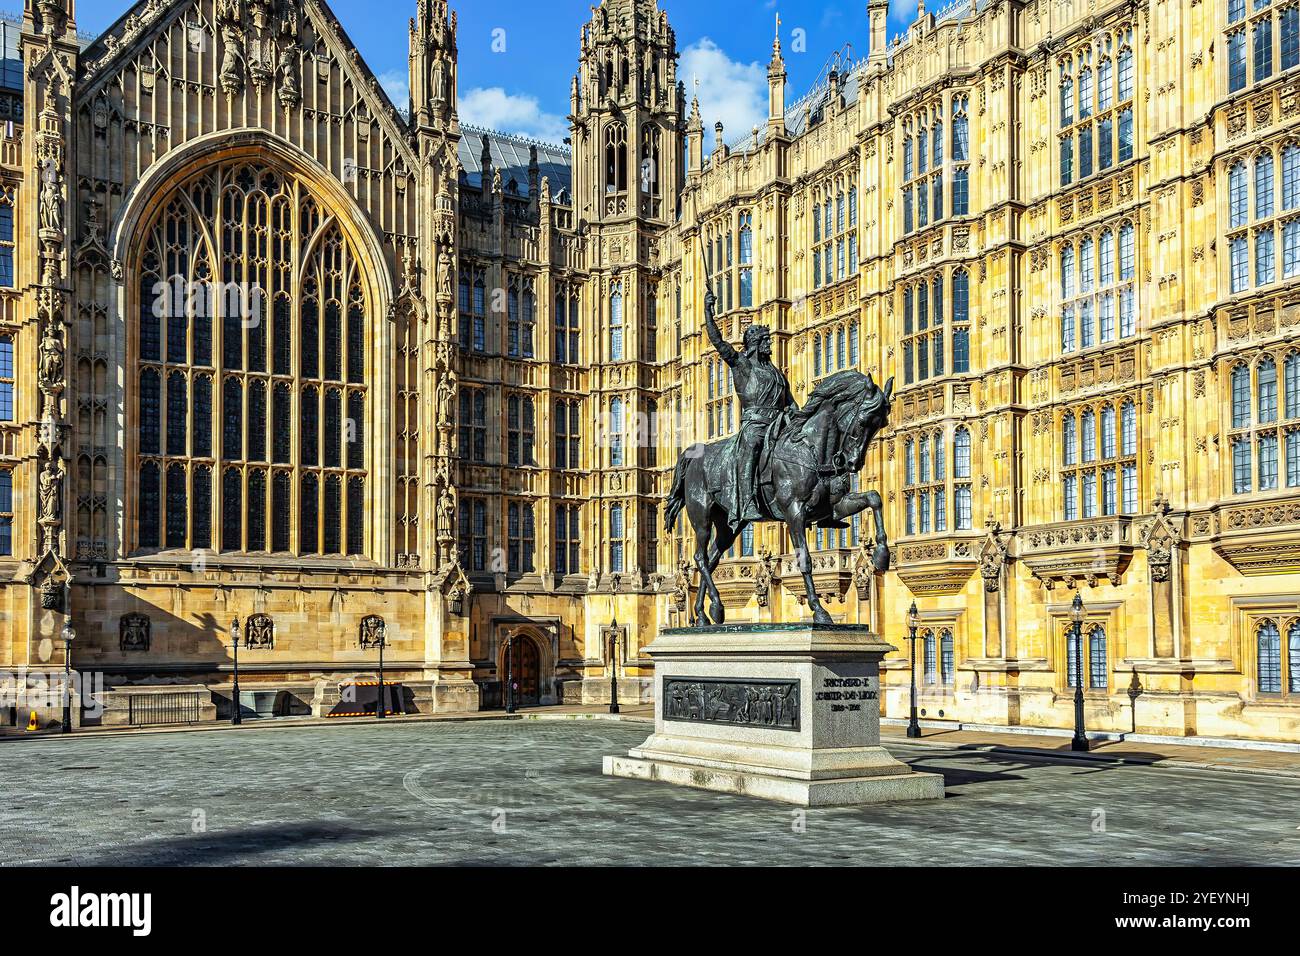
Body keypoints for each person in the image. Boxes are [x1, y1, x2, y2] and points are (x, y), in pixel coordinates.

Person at [701, 289, 795, 528]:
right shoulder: (741, 364)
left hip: (779, 425)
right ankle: (746, 501)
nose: (769, 344)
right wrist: (708, 313)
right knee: (752, 445)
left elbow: (791, 403)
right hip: (755, 425)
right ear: (755, 343)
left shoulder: (775, 372)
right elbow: (718, 343)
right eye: (765, 341)